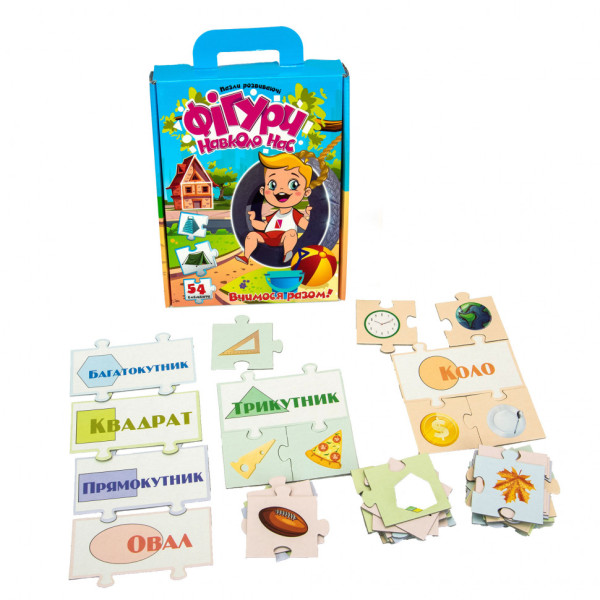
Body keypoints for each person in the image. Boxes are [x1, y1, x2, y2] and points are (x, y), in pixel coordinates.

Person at [236, 151, 328, 264]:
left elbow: (307, 226)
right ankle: (246, 256)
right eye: (272, 185)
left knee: (291, 234)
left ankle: (287, 252)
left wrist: (309, 215)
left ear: (306, 192)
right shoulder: (273, 215)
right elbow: (263, 226)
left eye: (293, 185)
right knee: (251, 235)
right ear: (263, 191)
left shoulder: (294, 214)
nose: (281, 190)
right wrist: (252, 220)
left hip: (283, 238)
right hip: (267, 237)